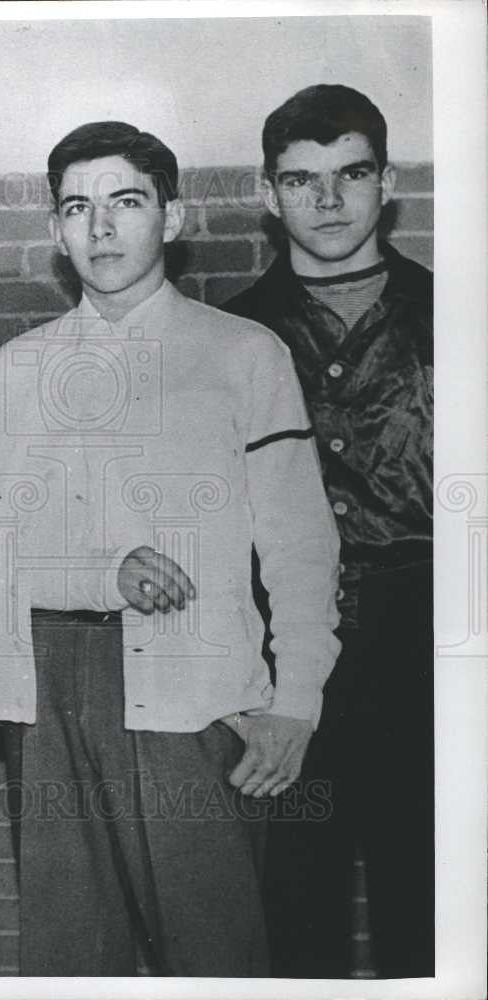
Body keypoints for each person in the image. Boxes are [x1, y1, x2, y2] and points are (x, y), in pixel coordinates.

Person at [0, 121, 341, 976]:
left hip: (192, 697)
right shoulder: (8, 374)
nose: (103, 228)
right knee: (73, 958)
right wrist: (92, 574)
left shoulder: (242, 354)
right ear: (56, 231)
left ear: (173, 216)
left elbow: (301, 545)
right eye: (78, 208)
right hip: (47, 696)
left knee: (217, 951)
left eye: (127, 202)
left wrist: (295, 698)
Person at [223, 84, 434, 978]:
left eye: (350, 173)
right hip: (279, 654)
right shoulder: (230, 334)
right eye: (302, 179)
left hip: (426, 651)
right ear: (269, 194)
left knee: (427, 907)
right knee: (288, 917)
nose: (329, 199)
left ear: (386, 181)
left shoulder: (452, 315)